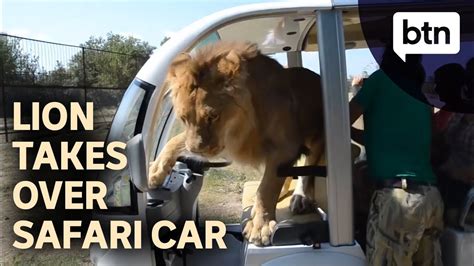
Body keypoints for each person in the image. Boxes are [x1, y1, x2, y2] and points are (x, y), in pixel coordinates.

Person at [349, 46, 444, 266]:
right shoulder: (419, 93)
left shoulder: (380, 80)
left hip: (398, 201)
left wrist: (348, 132)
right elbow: (412, 141)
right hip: (430, 198)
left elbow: (341, 117)